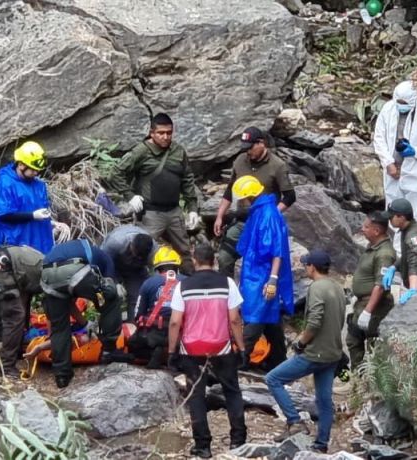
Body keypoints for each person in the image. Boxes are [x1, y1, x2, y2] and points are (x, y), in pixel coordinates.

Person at [167, 244, 247, 458]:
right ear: (214, 260)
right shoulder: (227, 283)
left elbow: (175, 322)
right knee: (232, 391)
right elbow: (235, 319)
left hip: (191, 349)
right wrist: (241, 347)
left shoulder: (182, 287)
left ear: (195, 261)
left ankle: (203, 446)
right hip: (222, 346)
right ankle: (238, 441)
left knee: (196, 396)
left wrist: (171, 351)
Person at [265, 249, 347, 453]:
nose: (305, 267)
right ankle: (321, 444)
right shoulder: (336, 287)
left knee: (273, 379)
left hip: (315, 352)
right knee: (324, 399)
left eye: (306, 264)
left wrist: (301, 343)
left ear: (312, 267)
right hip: (333, 353)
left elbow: (315, 321)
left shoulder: (317, 288)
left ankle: (294, 422)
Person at [107, 113, 201, 273]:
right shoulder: (141, 151)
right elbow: (115, 173)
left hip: (174, 211)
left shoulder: (179, 151)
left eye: (169, 133)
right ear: (152, 132)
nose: (165, 137)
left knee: (184, 251)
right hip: (151, 213)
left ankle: (188, 284)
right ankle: (149, 288)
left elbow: (187, 179)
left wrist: (192, 208)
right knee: (144, 251)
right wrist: (130, 196)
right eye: (161, 133)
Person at [40, 239, 130, 388]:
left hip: (48, 274)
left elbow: (67, 302)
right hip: (75, 269)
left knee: (59, 328)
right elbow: (108, 290)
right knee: (112, 299)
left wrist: (85, 323)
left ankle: (62, 375)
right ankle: (109, 350)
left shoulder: (74, 249)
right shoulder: (106, 260)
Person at [213, 127, 296, 277]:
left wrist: (271, 216)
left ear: (261, 143)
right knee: (224, 257)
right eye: (245, 148)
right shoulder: (240, 161)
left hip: (263, 223)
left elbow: (290, 196)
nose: (248, 152)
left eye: (250, 148)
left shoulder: (277, 166)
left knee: (258, 264)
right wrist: (220, 216)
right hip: (242, 220)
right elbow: (230, 190)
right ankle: (228, 293)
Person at [233, 175, 294, 371]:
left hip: (262, 276)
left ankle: (239, 360)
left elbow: (277, 249)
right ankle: (278, 361)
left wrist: (273, 279)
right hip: (255, 273)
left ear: (248, 196)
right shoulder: (260, 210)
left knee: (255, 316)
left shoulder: (268, 214)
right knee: (270, 319)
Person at [372, 81, 417, 248]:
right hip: (392, 171)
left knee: (416, 215)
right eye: (399, 102)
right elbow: (379, 138)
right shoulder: (388, 109)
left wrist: (416, 151)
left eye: (405, 103)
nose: (401, 106)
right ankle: (399, 255)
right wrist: (388, 162)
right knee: (394, 216)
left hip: (415, 171)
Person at [0, 245, 44, 374]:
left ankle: (0, 344)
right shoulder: (49, 275)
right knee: (15, 316)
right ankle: (6, 366)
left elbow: (24, 298)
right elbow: (53, 308)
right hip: (1, 264)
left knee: (5, 300)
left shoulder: (43, 266)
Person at [347, 212, 397, 371]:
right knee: (354, 340)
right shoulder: (373, 247)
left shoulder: (384, 254)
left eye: (366, 227)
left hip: (374, 305)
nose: (362, 229)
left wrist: (368, 311)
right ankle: (358, 380)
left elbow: (381, 284)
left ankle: (371, 383)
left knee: (373, 345)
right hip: (363, 302)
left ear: (376, 231)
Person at [0, 141, 55, 254]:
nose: (36, 173)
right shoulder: (5, 183)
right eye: (32, 169)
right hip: (13, 245)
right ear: (21, 165)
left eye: (38, 170)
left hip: (37, 243)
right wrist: (32, 215)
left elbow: (40, 210)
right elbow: (3, 215)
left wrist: (51, 223)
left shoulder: (38, 186)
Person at [129, 246, 186, 369]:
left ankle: (156, 352)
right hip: (181, 335)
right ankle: (176, 355)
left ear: (157, 268)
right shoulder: (188, 282)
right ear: (177, 266)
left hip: (154, 335)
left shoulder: (148, 283)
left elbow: (138, 314)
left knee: (132, 343)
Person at [100, 225, 157, 319]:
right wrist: (115, 282)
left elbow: (154, 272)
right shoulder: (116, 242)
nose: (137, 257)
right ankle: (111, 327)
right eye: (136, 253)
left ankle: (133, 325)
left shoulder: (154, 250)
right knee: (110, 295)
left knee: (136, 297)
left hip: (136, 271)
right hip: (113, 265)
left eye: (141, 256)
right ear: (131, 244)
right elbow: (105, 262)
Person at [386, 198, 417, 305]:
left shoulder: (413, 235)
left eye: (391, 217)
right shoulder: (407, 228)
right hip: (413, 281)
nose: (389, 220)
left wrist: (413, 289)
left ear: (401, 217)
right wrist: (394, 267)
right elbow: (407, 254)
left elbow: (415, 262)